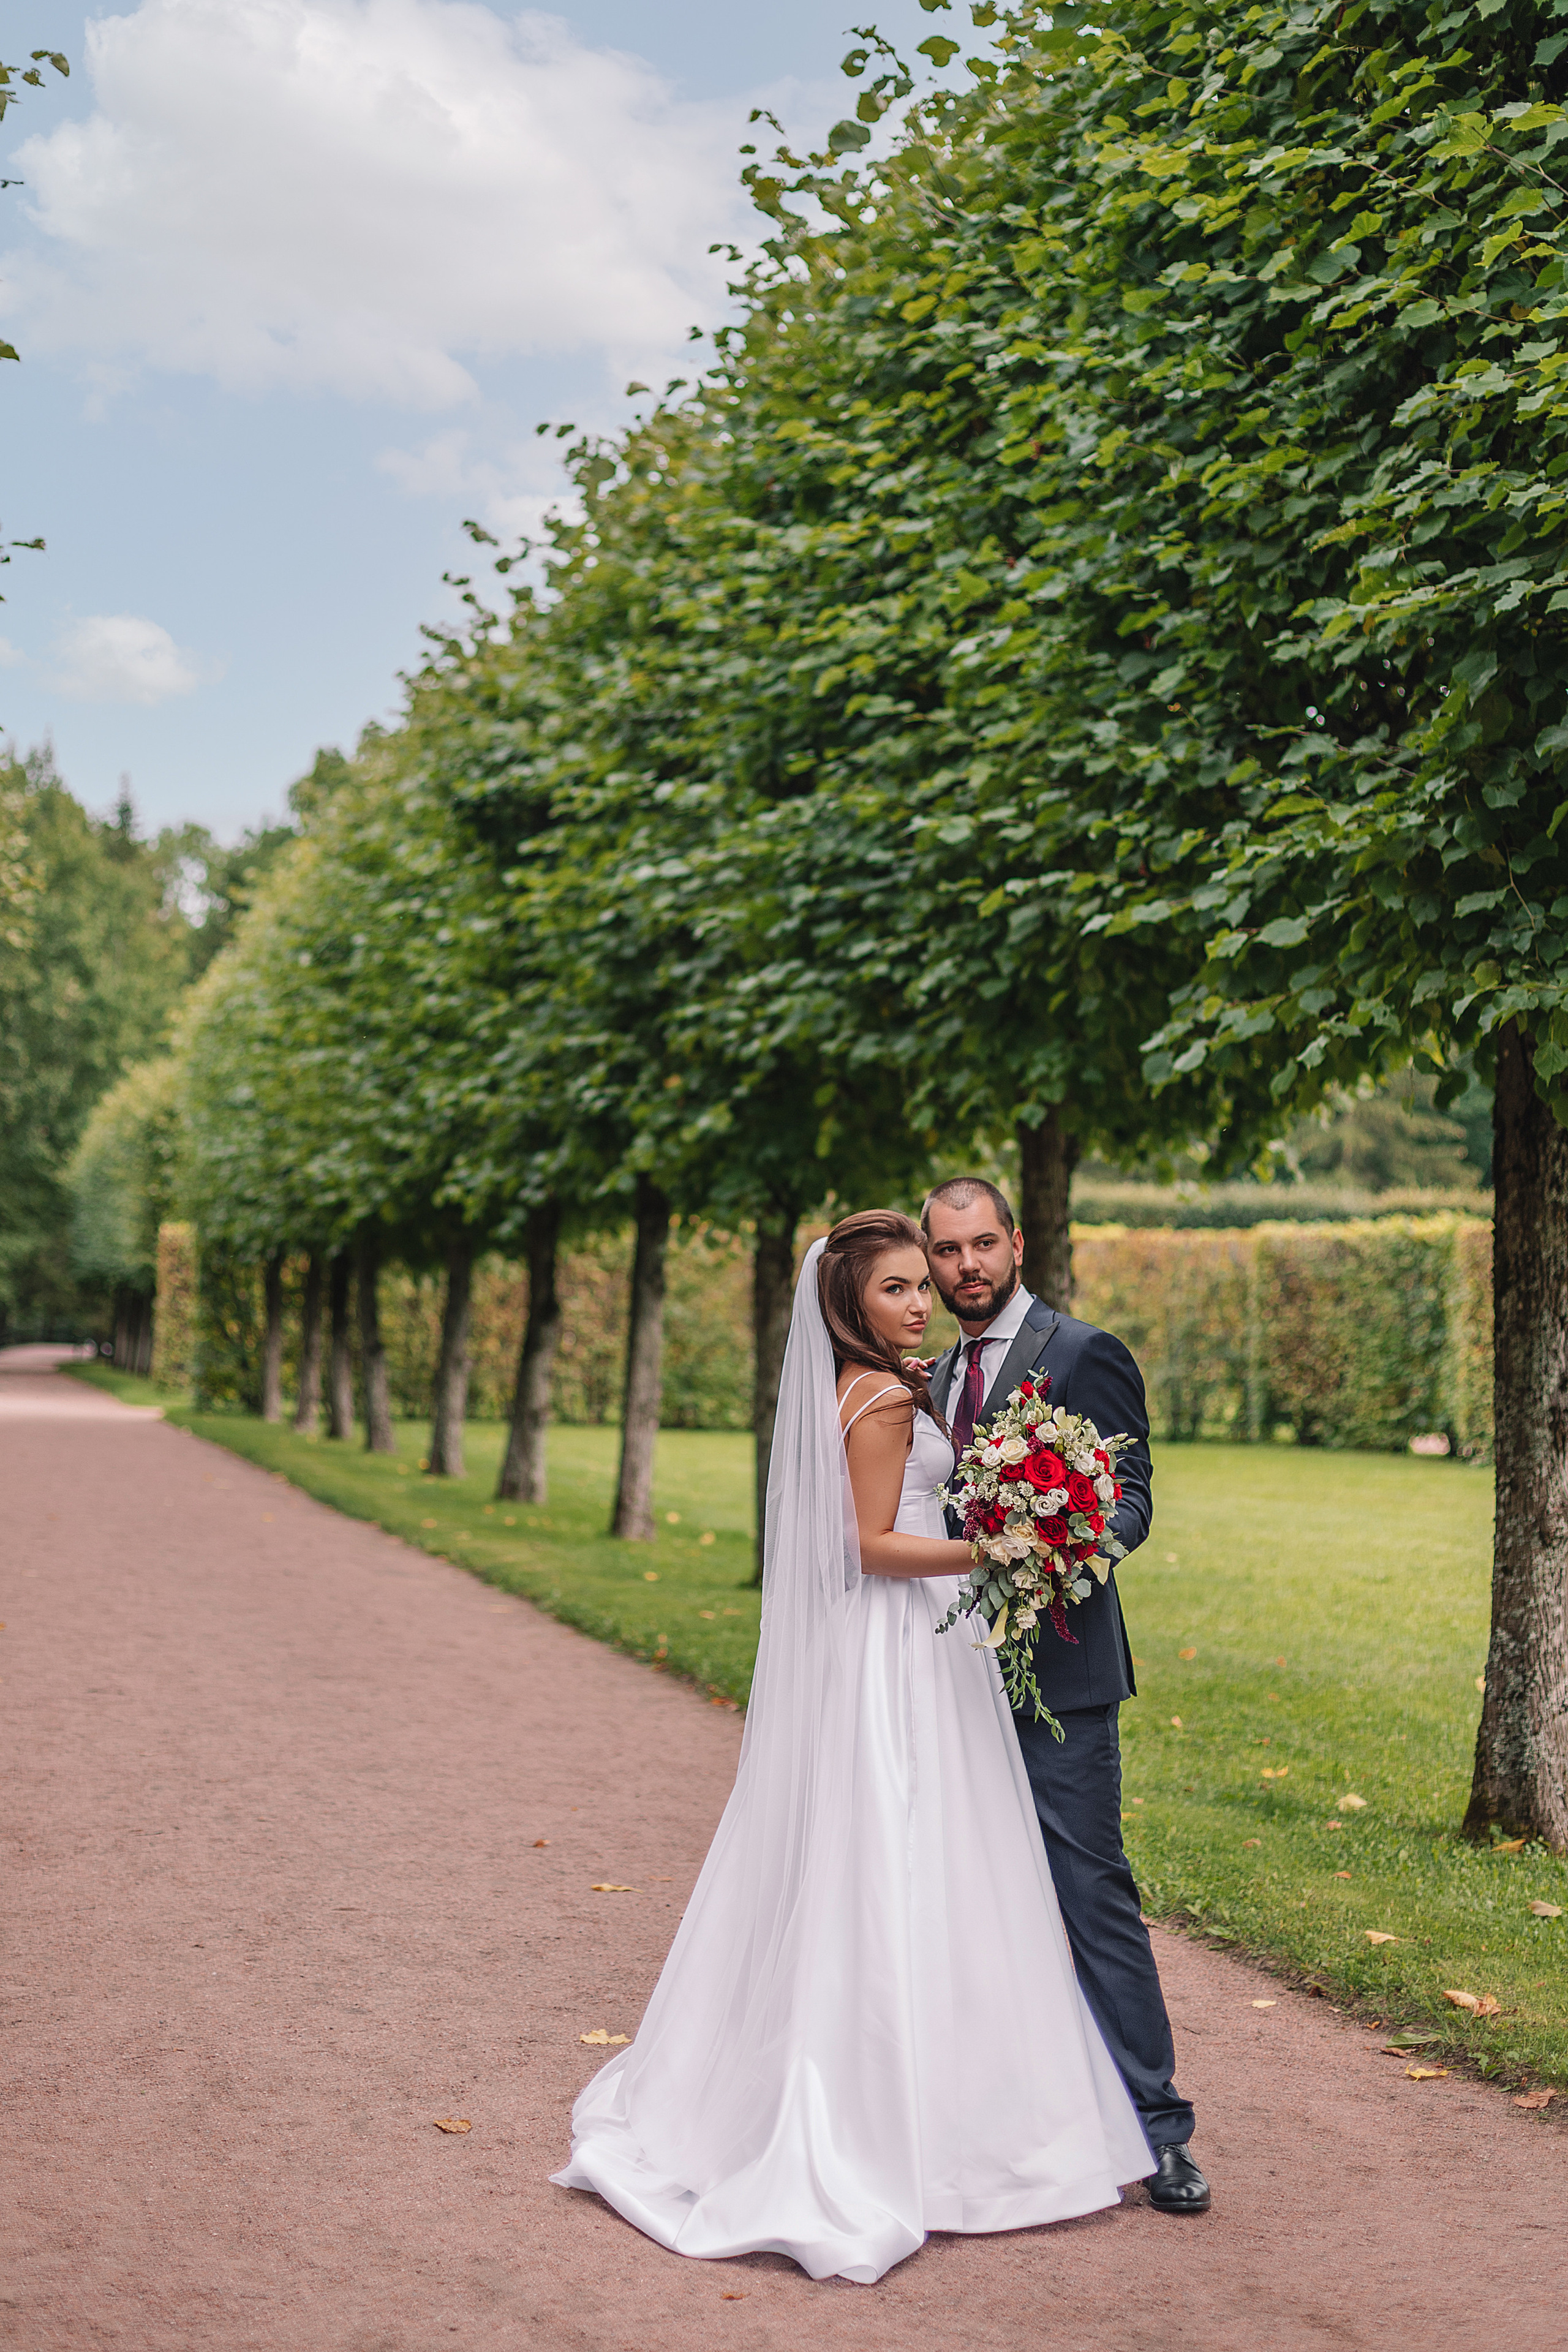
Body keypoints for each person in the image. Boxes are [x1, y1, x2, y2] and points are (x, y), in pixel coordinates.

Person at [552, 1210, 1155, 2283]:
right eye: (898, 1288)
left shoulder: (895, 1383)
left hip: (921, 1647)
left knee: (932, 1863)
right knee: (914, 1861)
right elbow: (873, 1545)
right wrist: (999, 1544)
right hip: (909, 1649)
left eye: (926, 1282)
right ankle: (916, 2132)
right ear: (848, 1306)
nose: (924, 1298)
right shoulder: (879, 1397)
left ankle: (971, 2109)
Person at [921, 1174, 1208, 2215]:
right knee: (971, 1893)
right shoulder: (935, 1369)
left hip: (1065, 1673)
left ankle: (1160, 2129)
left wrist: (1063, 1558)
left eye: (982, 1246)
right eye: (947, 1251)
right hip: (946, 1676)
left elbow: (1130, 1497)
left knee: (1091, 1893)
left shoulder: (1084, 1353)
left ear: (1017, 1242)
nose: (966, 1268)